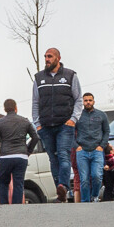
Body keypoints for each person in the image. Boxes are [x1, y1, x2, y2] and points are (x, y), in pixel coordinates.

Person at [31, 47, 83, 203]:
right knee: (53, 160)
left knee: (63, 155)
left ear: (58, 58)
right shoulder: (39, 78)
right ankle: (60, 193)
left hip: (64, 125)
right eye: (46, 56)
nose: (47, 59)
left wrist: (73, 119)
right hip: (46, 126)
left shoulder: (70, 76)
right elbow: (35, 102)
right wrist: (37, 123)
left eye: (50, 56)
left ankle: (64, 186)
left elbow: (79, 99)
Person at [0, 99, 38, 205]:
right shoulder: (25, 121)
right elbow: (35, 137)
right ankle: (17, 208)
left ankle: (5, 207)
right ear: (16, 108)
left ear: (5, 109)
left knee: (3, 183)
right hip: (21, 157)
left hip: (5, 157)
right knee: (18, 183)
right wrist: (27, 151)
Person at [74, 92, 110, 203]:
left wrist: (102, 146)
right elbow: (69, 132)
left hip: (97, 150)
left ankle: (94, 196)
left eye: (90, 100)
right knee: (84, 179)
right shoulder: (78, 115)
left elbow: (106, 131)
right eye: (86, 100)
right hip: (82, 151)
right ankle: (85, 201)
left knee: (97, 176)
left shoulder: (101, 115)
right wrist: (76, 146)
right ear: (83, 102)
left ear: (94, 101)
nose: (88, 102)